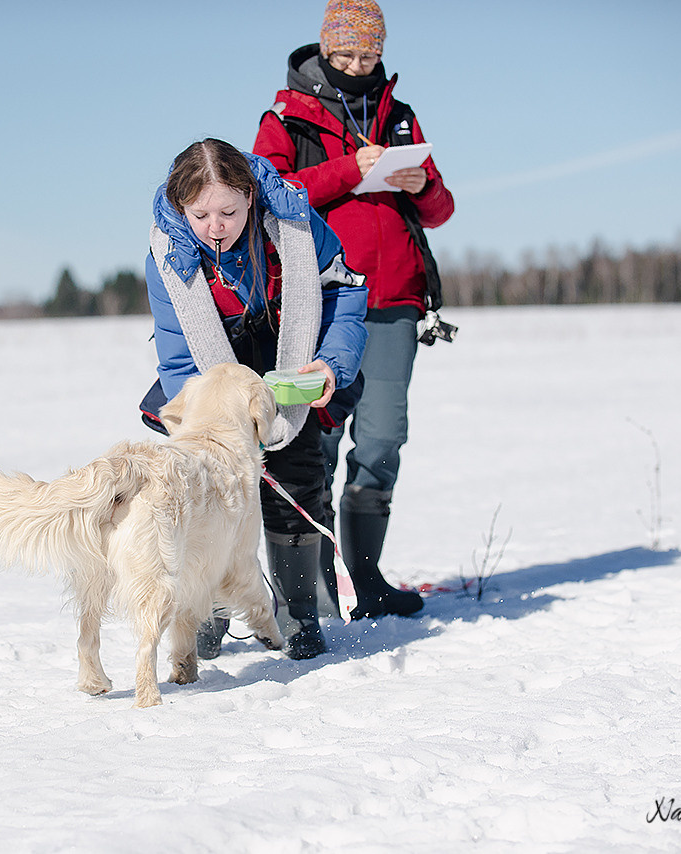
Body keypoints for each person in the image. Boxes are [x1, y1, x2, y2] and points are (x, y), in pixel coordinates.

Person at [253, 0, 455, 620]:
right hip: (320, 298)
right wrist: (347, 170)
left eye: (369, 55)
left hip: (395, 297)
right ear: (323, 50)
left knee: (383, 438)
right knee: (315, 442)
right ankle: (310, 591)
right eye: (346, 54)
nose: (358, 65)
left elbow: (442, 210)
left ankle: (367, 583)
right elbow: (265, 195)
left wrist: (423, 186)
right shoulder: (287, 118)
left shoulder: (401, 117)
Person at [140, 138, 368, 660]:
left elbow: (344, 292)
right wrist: (205, 426)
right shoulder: (167, 258)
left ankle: (299, 614)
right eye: (200, 214)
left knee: (298, 472)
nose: (215, 225)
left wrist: (331, 363)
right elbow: (178, 359)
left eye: (228, 211)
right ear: (181, 208)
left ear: (250, 196)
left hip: (290, 347)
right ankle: (209, 613)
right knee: (210, 487)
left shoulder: (295, 223)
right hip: (210, 370)